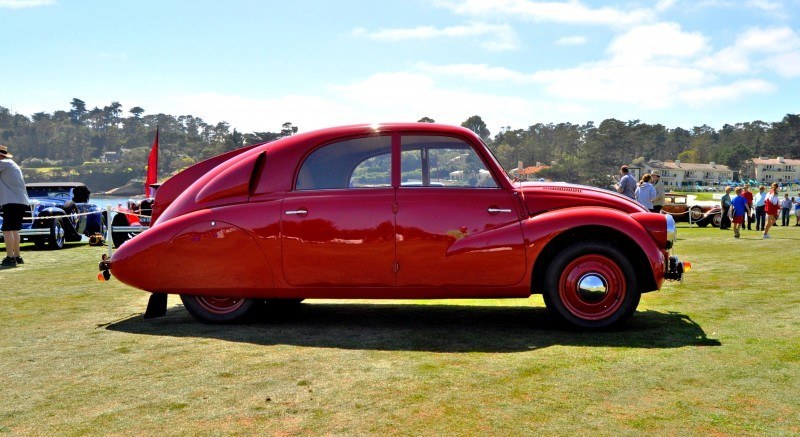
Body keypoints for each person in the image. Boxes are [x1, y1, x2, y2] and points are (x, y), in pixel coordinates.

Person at [0, 144, 30, 267]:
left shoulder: (5, 163)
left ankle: (10, 258)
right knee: (13, 230)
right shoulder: (11, 164)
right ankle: (17, 256)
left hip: (12, 201)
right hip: (19, 201)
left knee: (7, 229)